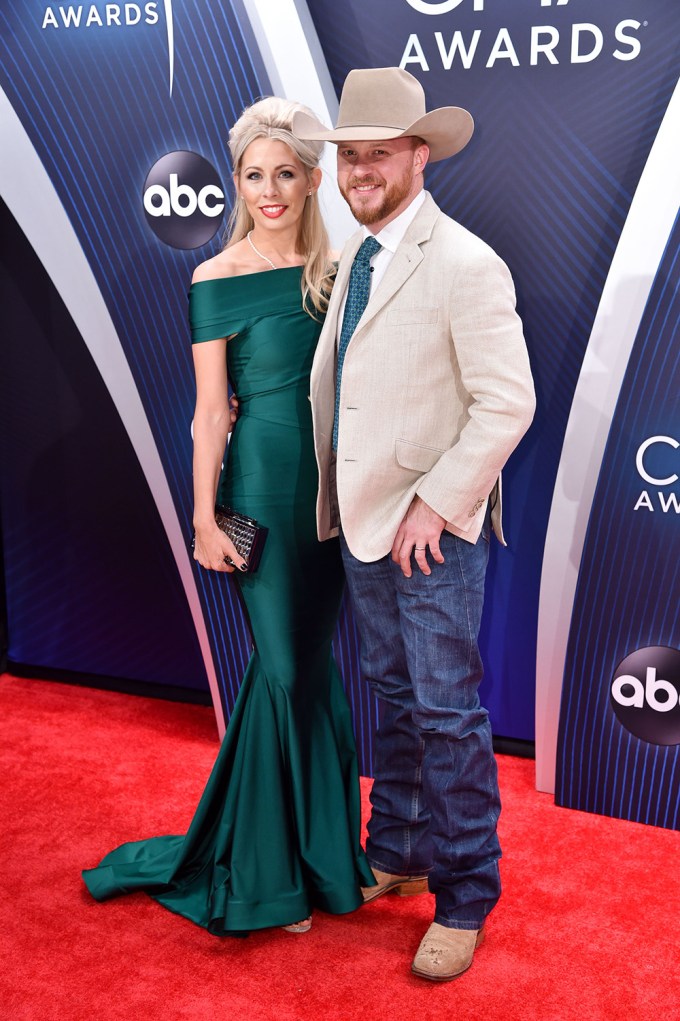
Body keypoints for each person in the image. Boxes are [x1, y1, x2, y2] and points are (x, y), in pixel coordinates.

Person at [82, 97, 374, 934]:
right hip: (260, 491)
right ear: (238, 184)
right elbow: (211, 412)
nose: (270, 190)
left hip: (334, 497)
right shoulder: (216, 277)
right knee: (282, 669)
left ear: (313, 179)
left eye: (285, 173)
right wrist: (203, 516)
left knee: (308, 669)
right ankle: (269, 877)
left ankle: (318, 860)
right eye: (254, 176)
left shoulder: (346, 270)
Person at [293, 67, 536, 979]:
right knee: (393, 695)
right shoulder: (356, 256)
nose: (360, 170)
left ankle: (467, 894)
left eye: (380, 154)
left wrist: (437, 501)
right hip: (364, 520)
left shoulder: (465, 262)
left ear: (419, 156)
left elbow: (507, 402)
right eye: (349, 155)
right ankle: (398, 849)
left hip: (431, 532)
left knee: (445, 712)